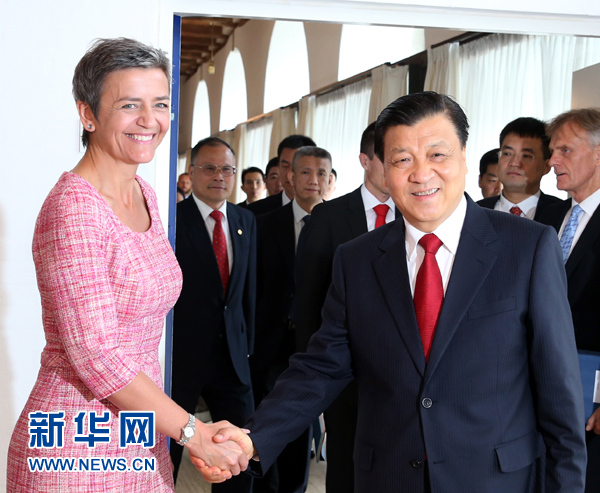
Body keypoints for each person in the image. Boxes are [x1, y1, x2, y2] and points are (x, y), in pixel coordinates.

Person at [199, 92, 587, 492]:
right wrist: (253, 438)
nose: (421, 174)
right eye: (403, 160)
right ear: (384, 169)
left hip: (494, 480)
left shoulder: (527, 247)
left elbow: (559, 394)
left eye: (437, 155)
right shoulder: (357, 259)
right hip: (387, 476)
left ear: (463, 156)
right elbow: (322, 367)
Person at [6, 38, 247, 493]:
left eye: (160, 104)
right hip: (74, 443)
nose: (149, 120)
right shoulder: (73, 209)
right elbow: (97, 355)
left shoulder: (146, 194)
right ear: (88, 114)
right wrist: (194, 432)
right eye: (129, 105)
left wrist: (186, 430)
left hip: (140, 430)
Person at [293, 121, 397, 493]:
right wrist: (316, 378)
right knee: (346, 467)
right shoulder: (329, 217)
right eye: (392, 159)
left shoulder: (415, 214)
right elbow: (309, 302)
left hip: (400, 376)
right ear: (365, 161)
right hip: (344, 372)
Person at [170, 137, 257, 493]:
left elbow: (248, 291)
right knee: (167, 451)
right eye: (209, 168)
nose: (219, 176)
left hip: (232, 359)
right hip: (183, 357)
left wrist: (248, 348)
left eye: (226, 169)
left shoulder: (245, 219)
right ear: (191, 172)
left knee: (238, 451)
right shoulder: (173, 219)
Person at [251, 146, 333, 493]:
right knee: (265, 423)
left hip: (317, 343)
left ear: (330, 180)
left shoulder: (340, 225)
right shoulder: (263, 224)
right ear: (291, 177)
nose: (313, 180)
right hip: (270, 341)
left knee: (302, 426)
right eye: (305, 172)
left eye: (321, 173)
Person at [537, 108, 600, 493]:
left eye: (565, 150)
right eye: (552, 151)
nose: (552, 161)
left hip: (591, 404)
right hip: (542, 397)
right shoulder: (548, 218)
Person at [477, 117, 561, 220]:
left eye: (526, 156)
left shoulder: (562, 215)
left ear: (546, 166)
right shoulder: (474, 212)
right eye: (507, 154)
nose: (514, 163)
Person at [248, 135, 316, 216]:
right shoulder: (254, 212)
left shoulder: (327, 212)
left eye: (297, 165)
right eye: (285, 166)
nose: (289, 174)